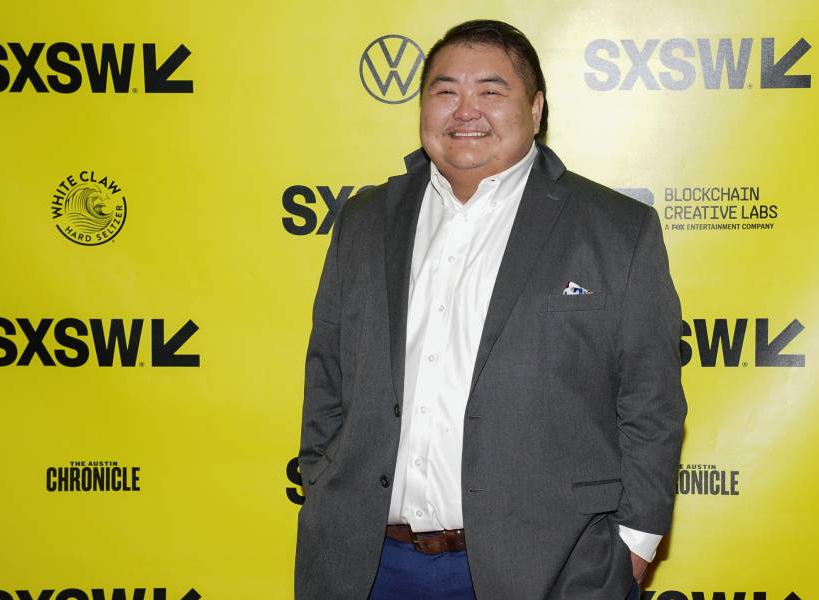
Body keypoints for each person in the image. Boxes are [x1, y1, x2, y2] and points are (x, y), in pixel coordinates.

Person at [294, 19, 686, 600]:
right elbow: (328, 372)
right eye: (445, 91)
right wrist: (321, 479)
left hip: (550, 568)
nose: (465, 111)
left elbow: (651, 399)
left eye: (491, 92)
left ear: (535, 109)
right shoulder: (365, 220)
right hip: (367, 565)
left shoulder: (615, 229)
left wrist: (635, 543)